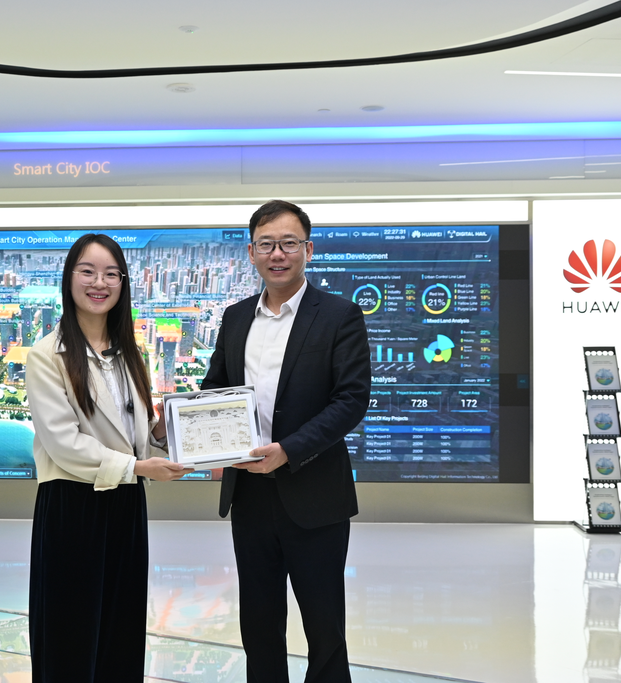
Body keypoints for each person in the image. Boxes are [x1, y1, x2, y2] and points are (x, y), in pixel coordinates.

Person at [201, 200, 371, 682]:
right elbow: (216, 388)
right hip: (249, 493)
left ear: (308, 250)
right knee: (258, 624)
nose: (278, 254)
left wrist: (288, 450)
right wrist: (177, 426)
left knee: (324, 627)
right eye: (267, 244)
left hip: (314, 493)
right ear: (251, 252)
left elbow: (351, 399)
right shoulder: (235, 317)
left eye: (289, 243)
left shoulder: (339, 315)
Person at [25, 233, 188, 682]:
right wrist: (137, 467)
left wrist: (166, 432)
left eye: (111, 274)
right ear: (69, 279)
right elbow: (63, 443)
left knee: (122, 629)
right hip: (74, 505)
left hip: (127, 503)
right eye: (88, 272)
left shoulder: (129, 353)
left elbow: (139, 435)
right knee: (69, 633)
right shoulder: (46, 355)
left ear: (123, 283)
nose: (100, 283)